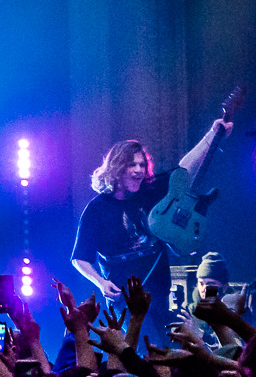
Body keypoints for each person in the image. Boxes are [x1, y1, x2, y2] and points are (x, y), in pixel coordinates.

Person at [71, 118, 232, 338]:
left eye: (142, 165)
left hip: (158, 289)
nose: (139, 170)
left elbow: (184, 169)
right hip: (124, 295)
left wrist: (212, 135)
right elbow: (79, 257)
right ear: (117, 168)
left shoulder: (150, 191)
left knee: (163, 347)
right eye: (132, 165)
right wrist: (100, 282)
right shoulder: (97, 209)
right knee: (142, 344)